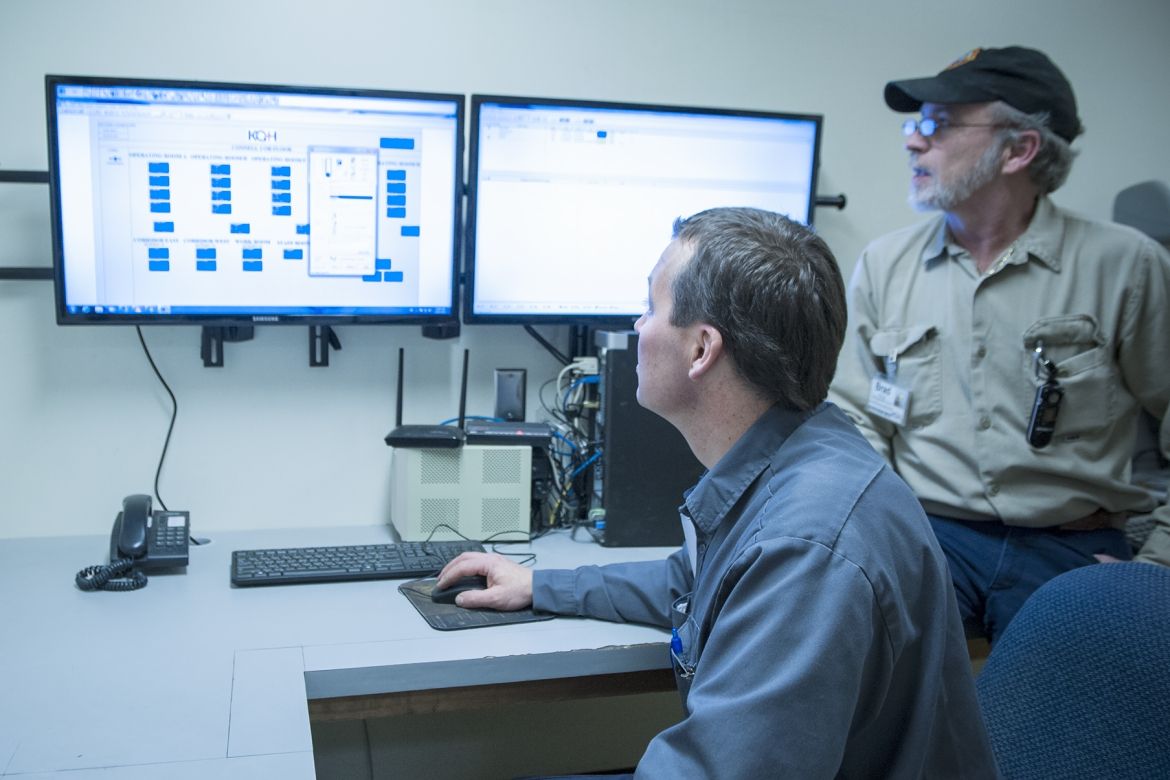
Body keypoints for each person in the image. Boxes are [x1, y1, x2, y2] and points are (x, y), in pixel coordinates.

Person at [438, 207, 997, 777]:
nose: (637, 327)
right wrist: (540, 584)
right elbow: (693, 584)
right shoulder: (799, 457)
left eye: (651, 308)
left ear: (702, 349)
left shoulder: (806, 549)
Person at [828, 46, 1170, 646]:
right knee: (851, 671)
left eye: (937, 125)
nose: (913, 142)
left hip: (1072, 548)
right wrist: (877, 536)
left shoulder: (1127, 266)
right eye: (915, 124)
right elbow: (857, 417)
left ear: (1019, 148)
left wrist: (1156, 568)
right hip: (932, 538)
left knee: (1063, 730)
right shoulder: (885, 265)